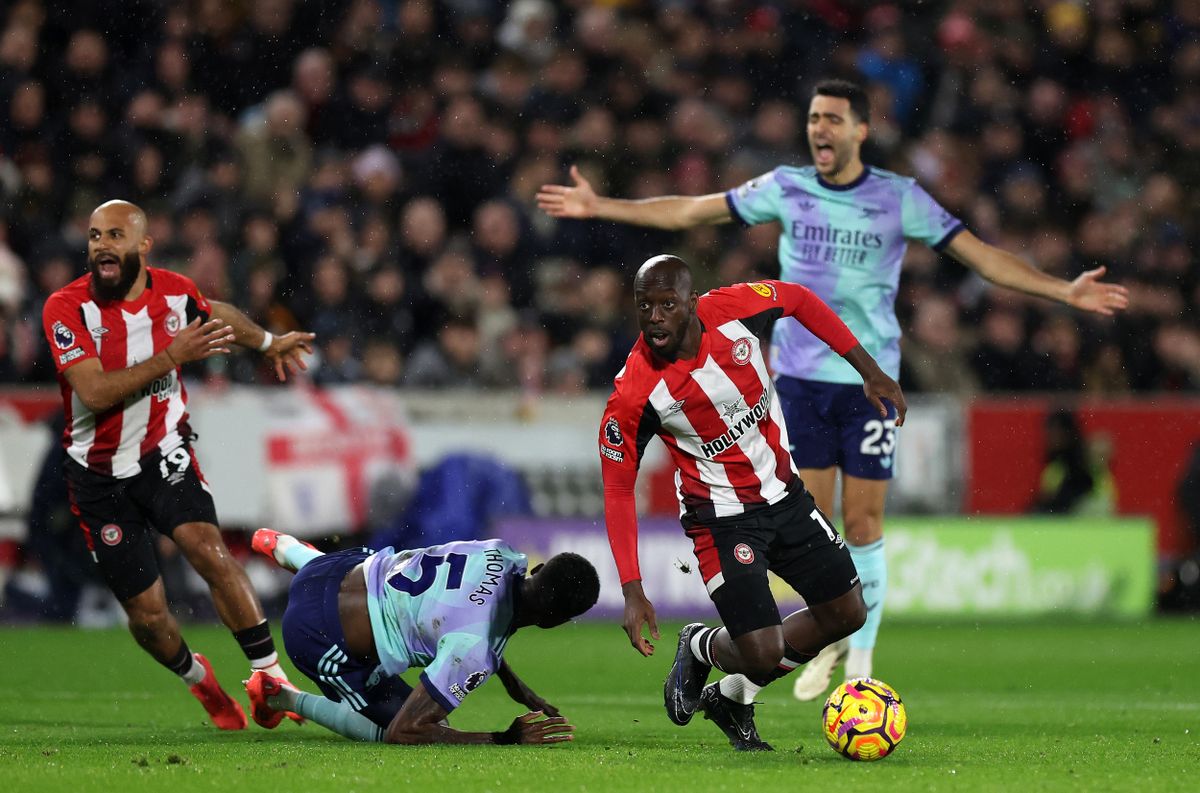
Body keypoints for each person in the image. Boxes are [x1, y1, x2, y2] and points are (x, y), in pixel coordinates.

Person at [538, 79, 1130, 700]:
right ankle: (757, 669)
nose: (819, 128)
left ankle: (856, 662)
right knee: (800, 548)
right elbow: (690, 210)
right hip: (795, 381)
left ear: (859, 130)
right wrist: (602, 206)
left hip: (862, 377)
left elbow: (980, 257)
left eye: (832, 119)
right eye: (813, 117)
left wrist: (1061, 291)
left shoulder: (898, 198)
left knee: (865, 519)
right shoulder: (785, 188)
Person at [598, 255, 905, 751]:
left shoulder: (735, 310)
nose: (654, 317)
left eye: (667, 305)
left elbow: (800, 300)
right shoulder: (634, 394)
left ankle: (732, 696)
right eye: (644, 306)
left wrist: (868, 371)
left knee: (848, 613)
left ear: (692, 304)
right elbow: (616, 489)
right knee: (761, 650)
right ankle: (700, 646)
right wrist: (632, 589)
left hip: (785, 495)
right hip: (721, 521)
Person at [40, 199, 316, 729]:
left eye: (114, 235)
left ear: (143, 245)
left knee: (207, 548)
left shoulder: (173, 291)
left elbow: (215, 314)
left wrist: (266, 342)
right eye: (95, 235)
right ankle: (199, 679)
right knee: (148, 619)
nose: (101, 245)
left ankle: (268, 677)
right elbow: (94, 392)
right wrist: (173, 356)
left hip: (161, 449)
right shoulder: (66, 308)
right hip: (97, 474)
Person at [243, 528, 599, 745]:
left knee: (382, 567)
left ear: (536, 568)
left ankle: (283, 546)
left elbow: (474, 612)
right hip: (316, 636)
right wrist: (503, 738)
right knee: (424, 729)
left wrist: (512, 683)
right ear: (556, 622)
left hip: (331, 569)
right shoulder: (473, 651)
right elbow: (406, 731)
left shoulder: (501, 552)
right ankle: (280, 697)